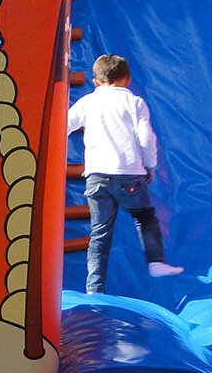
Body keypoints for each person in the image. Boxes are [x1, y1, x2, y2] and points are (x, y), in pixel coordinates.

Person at [67, 54, 183, 294]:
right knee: (144, 218)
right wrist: (150, 165)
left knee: (99, 233)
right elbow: (146, 137)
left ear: (96, 81)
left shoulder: (88, 102)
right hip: (129, 173)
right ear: (127, 79)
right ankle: (156, 262)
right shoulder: (135, 103)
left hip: (97, 175)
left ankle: (94, 288)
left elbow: (63, 126)